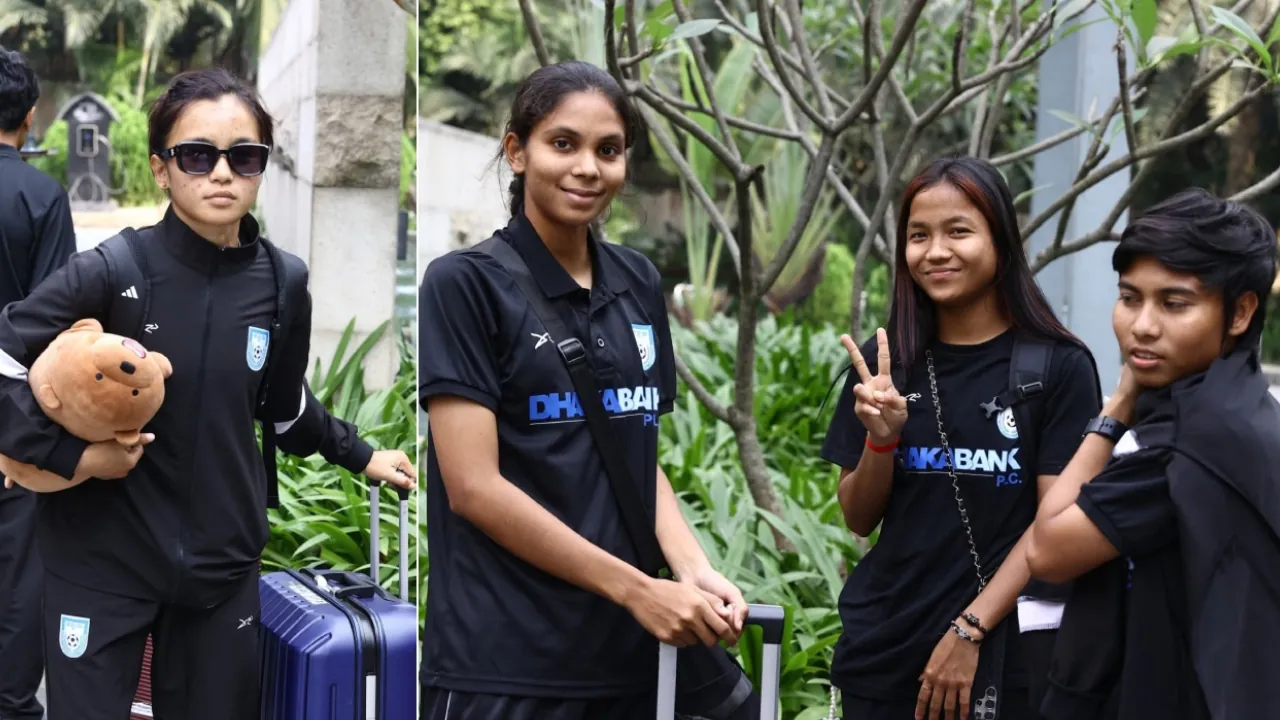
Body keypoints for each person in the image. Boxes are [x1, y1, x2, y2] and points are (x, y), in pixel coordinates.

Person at [0, 67, 416, 720]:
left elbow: (283, 409)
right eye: (197, 155)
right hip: (99, 562)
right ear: (162, 169)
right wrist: (71, 459)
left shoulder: (283, 283)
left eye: (243, 157)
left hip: (221, 573)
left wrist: (360, 454)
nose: (221, 173)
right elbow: (4, 356)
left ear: (260, 168)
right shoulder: (112, 271)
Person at [418, 60, 759, 720]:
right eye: (563, 143)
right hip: (508, 666)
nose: (587, 168)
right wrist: (639, 590)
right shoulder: (464, 284)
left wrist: (691, 567)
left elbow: (636, 452)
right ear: (517, 151)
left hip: (628, 660)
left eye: (609, 150)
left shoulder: (637, 281)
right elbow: (473, 488)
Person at [820, 155, 1103, 720]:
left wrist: (970, 629)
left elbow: (1054, 528)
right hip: (886, 649)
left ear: (999, 239)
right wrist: (882, 441)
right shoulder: (886, 367)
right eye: (918, 235)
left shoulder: (1058, 369)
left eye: (958, 231)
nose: (936, 252)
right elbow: (857, 517)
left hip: (1004, 656)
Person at [1026, 188, 1280, 720]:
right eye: (1130, 297)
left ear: (1240, 313)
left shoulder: (1186, 449)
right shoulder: (1246, 412)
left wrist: (1116, 406)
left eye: (1174, 303)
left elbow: (1048, 549)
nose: (1142, 325)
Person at [0, 44, 79, 720]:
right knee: (19, 572)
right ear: (28, 118)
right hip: (16, 421)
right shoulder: (43, 196)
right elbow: (59, 324)